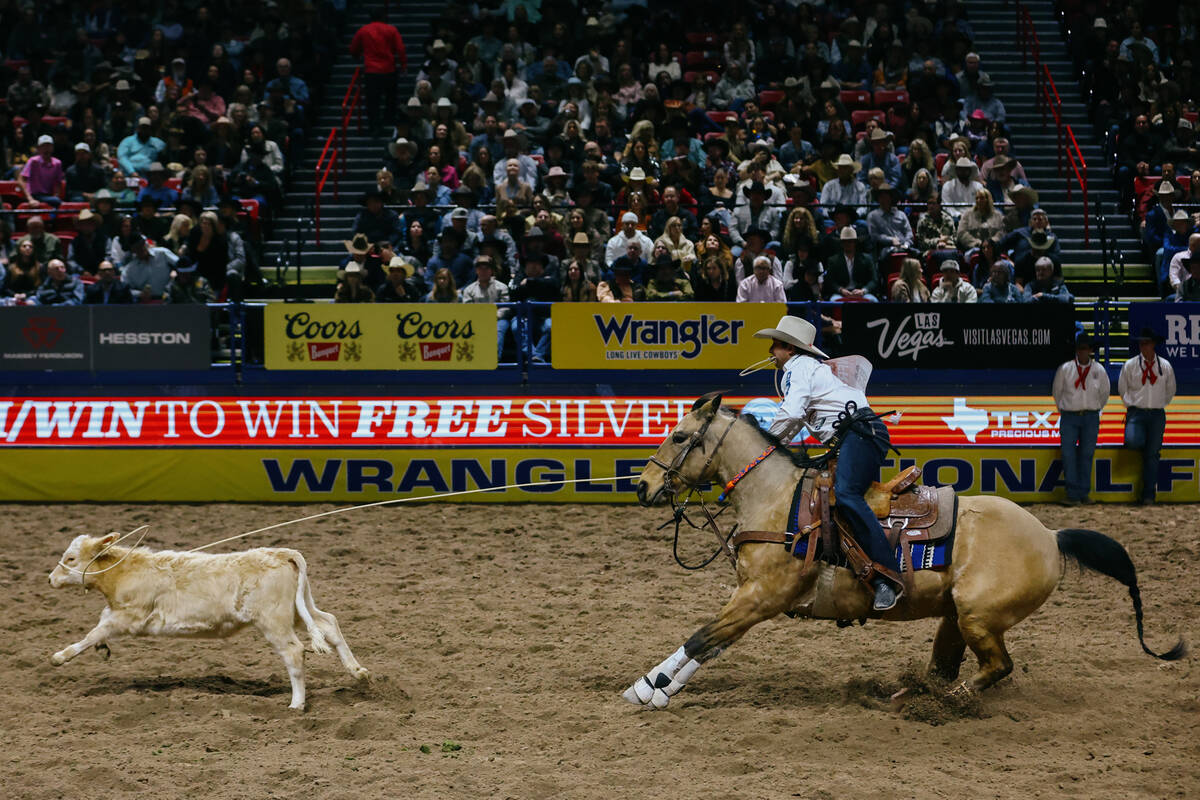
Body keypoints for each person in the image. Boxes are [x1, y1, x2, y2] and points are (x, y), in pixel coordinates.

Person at [751, 315, 902, 611]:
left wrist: (763, 446)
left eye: (775, 346)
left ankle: (888, 577)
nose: (771, 351)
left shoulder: (798, 368)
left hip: (859, 434)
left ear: (790, 349)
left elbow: (792, 414)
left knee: (846, 495)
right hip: (856, 436)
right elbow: (794, 421)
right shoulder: (810, 368)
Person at [1119, 328, 1177, 504]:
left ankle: (1148, 494)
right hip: (1137, 412)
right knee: (1133, 441)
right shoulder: (1130, 365)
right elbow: (1123, 389)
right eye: (1141, 343)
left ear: (1153, 345)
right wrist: (1133, 405)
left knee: (1152, 456)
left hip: (1157, 413)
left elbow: (1170, 390)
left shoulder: (1165, 366)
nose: (1143, 346)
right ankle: (1145, 444)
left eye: (1146, 343)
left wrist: (1158, 404)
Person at [1053, 335, 1111, 506]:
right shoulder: (1065, 369)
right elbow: (1057, 392)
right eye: (1080, 348)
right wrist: (1065, 409)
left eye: (1086, 348)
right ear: (1076, 350)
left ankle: (1084, 493)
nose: (1083, 351)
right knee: (1068, 455)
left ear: (1091, 350)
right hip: (1069, 416)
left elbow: (1105, 394)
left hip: (1091, 416)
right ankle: (1072, 494)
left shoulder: (1099, 370)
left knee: (1086, 455)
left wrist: (1095, 408)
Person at [459, 254, 510, 361]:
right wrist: (480, 318)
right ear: (476, 270)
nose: (483, 271)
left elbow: (506, 307)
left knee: (498, 330)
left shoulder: (502, 287)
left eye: (486, 268)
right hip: (476, 319)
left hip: (498, 319)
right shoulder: (469, 289)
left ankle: (494, 360)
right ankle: (473, 361)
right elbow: (467, 309)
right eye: (480, 268)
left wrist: (494, 316)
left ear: (492, 270)